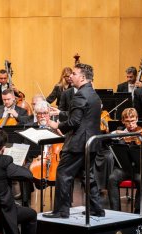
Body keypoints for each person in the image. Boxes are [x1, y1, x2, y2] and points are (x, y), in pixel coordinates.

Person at [44, 63, 104, 218]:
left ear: (82, 77)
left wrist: (56, 124)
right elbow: (84, 117)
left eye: (75, 74)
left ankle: (61, 211)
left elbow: (74, 122)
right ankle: (97, 208)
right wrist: (64, 115)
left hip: (78, 143)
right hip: (92, 142)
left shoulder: (80, 95)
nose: (71, 76)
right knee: (87, 175)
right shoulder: (93, 94)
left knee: (63, 173)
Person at [106, 108, 142, 212]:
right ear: (123, 121)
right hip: (124, 168)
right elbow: (109, 137)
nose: (131, 124)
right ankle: (115, 212)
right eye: (127, 122)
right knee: (112, 179)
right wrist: (118, 133)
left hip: (138, 168)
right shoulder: (120, 132)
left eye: (133, 121)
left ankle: (138, 211)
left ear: (137, 119)